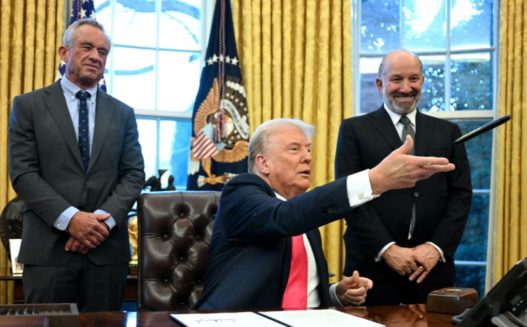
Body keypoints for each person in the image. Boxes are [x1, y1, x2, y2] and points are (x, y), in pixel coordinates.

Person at [196, 117, 457, 310]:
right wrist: (373, 180)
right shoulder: (241, 191)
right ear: (263, 163)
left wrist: (335, 294)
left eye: (309, 149)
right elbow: (283, 218)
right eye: (295, 149)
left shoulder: (307, 218)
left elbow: (299, 287)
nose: (308, 157)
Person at [8, 18, 145, 311]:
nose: (96, 56)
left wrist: (101, 223)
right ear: (63, 52)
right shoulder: (28, 106)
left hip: (107, 254)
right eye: (86, 47)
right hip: (48, 252)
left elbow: (134, 175)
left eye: (103, 51)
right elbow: (23, 173)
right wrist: (71, 219)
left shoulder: (123, 113)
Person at [335, 49, 472, 305]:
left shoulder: (449, 132)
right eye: (396, 79)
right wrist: (388, 249)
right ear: (380, 83)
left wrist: (436, 247)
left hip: (430, 270)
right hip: (372, 269)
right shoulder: (354, 130)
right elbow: (350, 196)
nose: (406, 88)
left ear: (422, 81)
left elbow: (461, 196)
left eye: (413, 79)